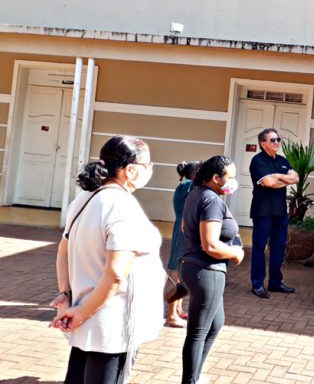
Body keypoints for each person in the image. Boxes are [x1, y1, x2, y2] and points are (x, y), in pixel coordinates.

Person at [50, 135, 164, 384]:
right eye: (148, 165)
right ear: (130, 171)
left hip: (87, 315)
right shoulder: (121, 206)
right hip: (111, 322)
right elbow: (115, 274)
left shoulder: (86, 198)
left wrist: (67, 294)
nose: (151, 170)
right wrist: (81, 312)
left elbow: (63, 250)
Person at [180, 155, 244, 384]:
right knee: (197, 332)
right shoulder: (211, 200)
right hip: (207, 270)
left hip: (194, 267)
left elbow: (185, 227)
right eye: (230, 177)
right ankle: (190, 380)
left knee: (214, 324)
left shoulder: (195, 195)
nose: (233, 182)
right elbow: (210, 245)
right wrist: (236, 252)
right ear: (216, 178)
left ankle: (194, 376)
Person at [249, 128, 299, 298]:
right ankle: (257, 284)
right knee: (259, 248)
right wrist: (281, 178)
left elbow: (296, 178)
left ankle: (275, 283)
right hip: (262, 212)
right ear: (263, 143)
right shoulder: (257, 161)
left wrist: (277, 178)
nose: (277, 142)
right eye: (273, 140)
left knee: (279, 248)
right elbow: (269, 182)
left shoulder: (283, 160)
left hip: (280, 212)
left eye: (278, 139)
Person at [165, 160, 201, 328]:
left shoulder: (185, 185)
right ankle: (171, 315)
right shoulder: (189, 187)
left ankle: (177, 309)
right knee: (176, 273)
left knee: (180, 271)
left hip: (182, 230)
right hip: (183, 231)